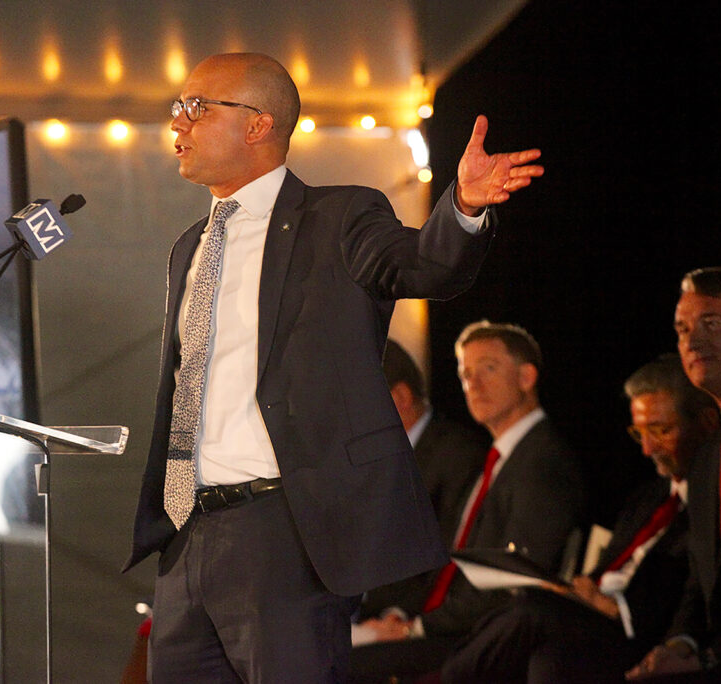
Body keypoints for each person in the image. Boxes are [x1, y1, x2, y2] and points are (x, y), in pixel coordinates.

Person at [121, 52, 544, 682]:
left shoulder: (339, 217)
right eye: (177, 108)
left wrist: (464, 208)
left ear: (258, 124)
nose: (177, 123)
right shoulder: (191, 245)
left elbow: (425, 265)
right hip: (186, 534)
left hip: (283, 533)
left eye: (196, 107)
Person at [438, 354, 718, 683]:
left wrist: (616, 609)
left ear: (707, 423)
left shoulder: (715, 501)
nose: (647, 448)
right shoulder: (649, 497)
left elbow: (692, 597)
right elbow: (608, 569)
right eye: (639, 433)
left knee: (535, 614)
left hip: (638, 638)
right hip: (590, 619)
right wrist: (579, 590)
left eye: (661, 430)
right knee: (540, 627)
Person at [350, 321, 585, 680]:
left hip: (477, 639)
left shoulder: (542, 460)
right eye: (465, 374)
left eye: (488, 369)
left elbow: (513, 576)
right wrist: (403, 614)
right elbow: (448, 562)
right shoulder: (502, 459)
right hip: (450, 628)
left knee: (339, 668)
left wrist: (419, 627)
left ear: (526, 377)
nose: (473, 384)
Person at [627, 267, 721, 681]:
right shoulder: (710, 453)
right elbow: (701, 578)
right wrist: (681, 643)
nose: (691, 342)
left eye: (710, 323)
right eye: (682, 329)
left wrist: (710, 658)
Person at [354, 340, 488, 640]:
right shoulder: (377, 458)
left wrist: (397, 614)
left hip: (416, 625)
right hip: (362, 614)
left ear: (400, 397)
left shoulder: (457, 455)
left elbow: (448, 556)